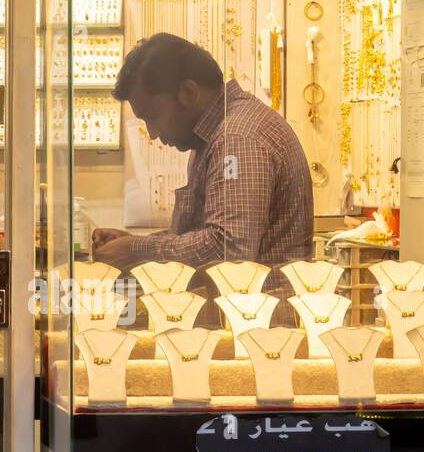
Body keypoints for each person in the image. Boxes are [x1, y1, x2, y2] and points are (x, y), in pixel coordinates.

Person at [92, 33, 314, 286]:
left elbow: (229, 250)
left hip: (258, 319)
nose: (152, 134)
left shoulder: (238, 138)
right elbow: (211, 234)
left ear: (188, 92)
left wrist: (137, 249)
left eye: (153, 117)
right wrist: (129, 243)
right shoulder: (218, 135)